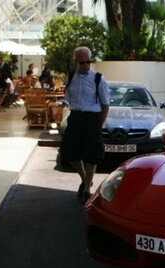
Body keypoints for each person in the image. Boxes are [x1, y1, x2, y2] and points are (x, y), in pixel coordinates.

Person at [62, 46, 110, 201]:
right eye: (81, 62)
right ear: (76, 62)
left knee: (91, 155)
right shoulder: (70, 77)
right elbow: (68, 95)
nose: (85, 65)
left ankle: (87, 188)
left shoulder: (98, 79)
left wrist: (99, 124)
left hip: (92, 118)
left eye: (88, 62)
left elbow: (105, 104)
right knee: (70, 153)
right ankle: (85, 179)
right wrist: (63, 102)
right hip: (76, 117)